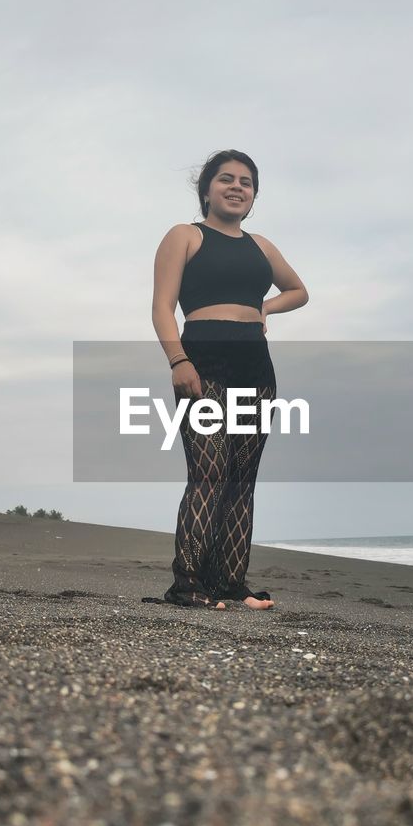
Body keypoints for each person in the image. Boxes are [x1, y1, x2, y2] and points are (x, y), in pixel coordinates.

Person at [151, 149, 309, 609]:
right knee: (209, 472)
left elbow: (299, 291)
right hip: (203, 360)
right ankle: (188, 585)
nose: (237, 187)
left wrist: (265, 308)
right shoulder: (184, 236)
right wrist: (178, 361)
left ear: (254, 194)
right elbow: (162, 306)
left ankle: (231, 585)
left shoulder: (261, 246)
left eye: (246, 181)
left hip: (255, 366)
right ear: (206, 190)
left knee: (241, 479)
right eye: (226, 179)